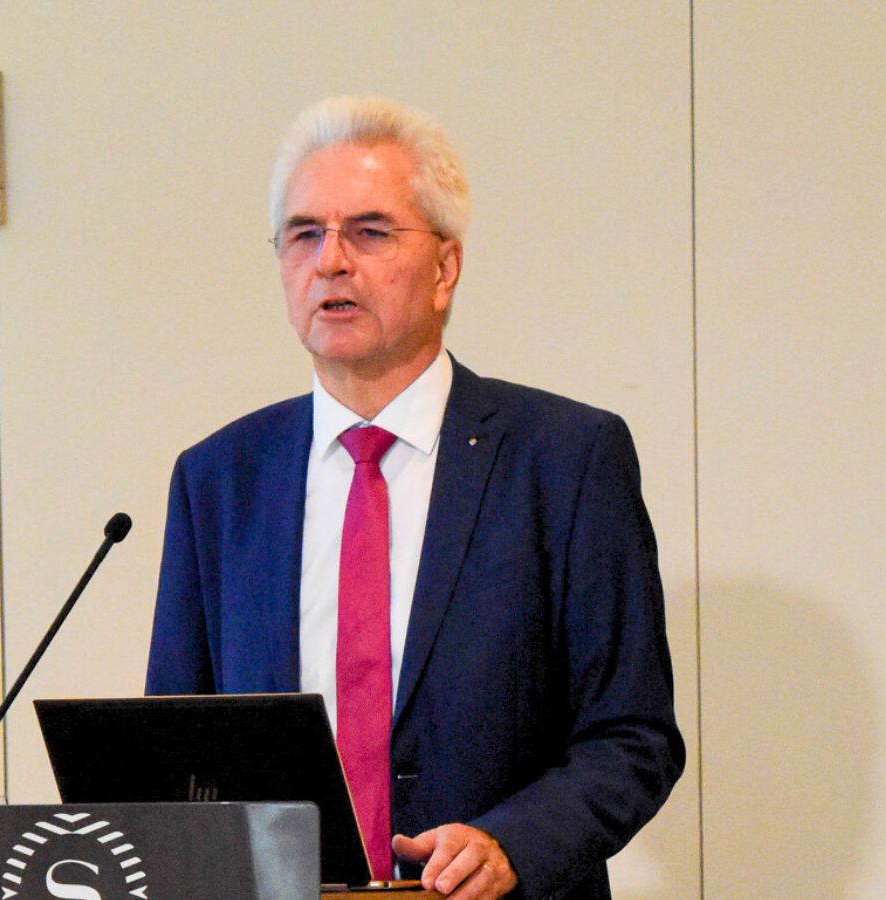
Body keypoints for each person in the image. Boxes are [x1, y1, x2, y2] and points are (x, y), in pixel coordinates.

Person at [146, 96, 683, 900]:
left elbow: (633, 736)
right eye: (304, 233)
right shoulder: (220, 479)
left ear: (445, 268)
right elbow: (172, 749)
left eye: (369, 232)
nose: (331, 260)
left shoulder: (565, 459)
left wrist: (511, 844)